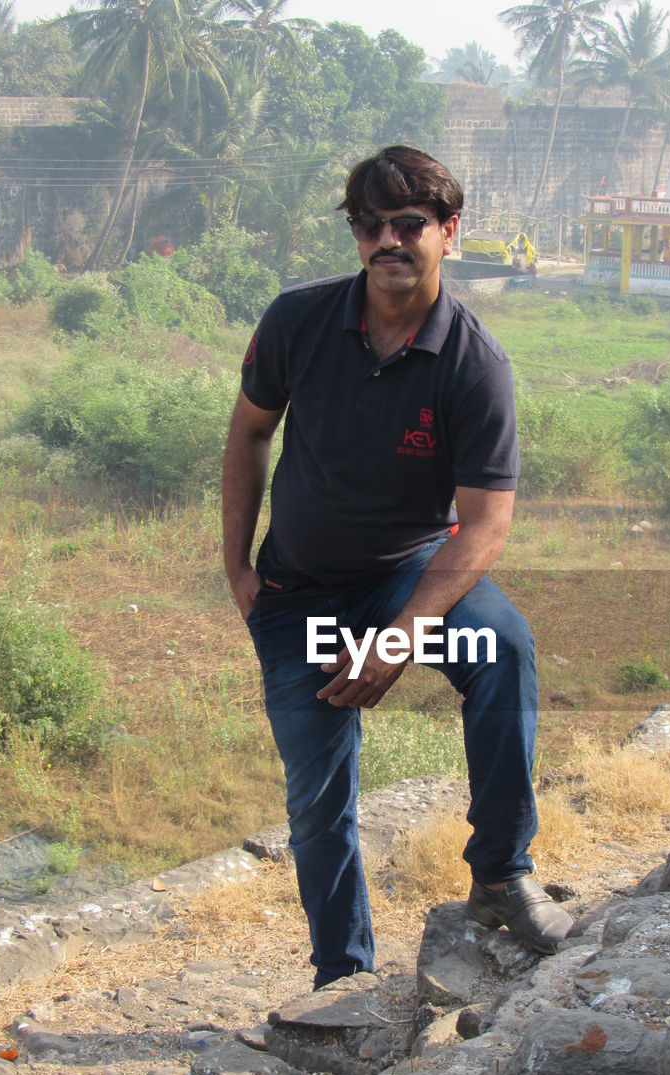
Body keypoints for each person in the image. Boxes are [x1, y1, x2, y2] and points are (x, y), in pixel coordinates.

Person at [222, 145, 573, 989]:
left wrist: (400, 638)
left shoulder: (473, 364)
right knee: (318, 797)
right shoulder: (298, 321)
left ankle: (499, 872)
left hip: (409, 575)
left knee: (502, 650)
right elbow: (249, 433)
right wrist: (236, 570)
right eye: (370, 224)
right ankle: (343, 979)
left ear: (449, 232)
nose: (389, 240)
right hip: (299, 590)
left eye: (409, 222)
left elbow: (484, 525)